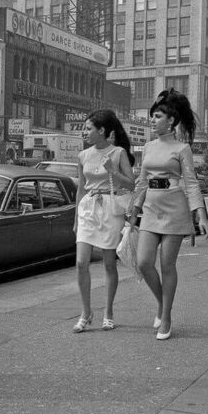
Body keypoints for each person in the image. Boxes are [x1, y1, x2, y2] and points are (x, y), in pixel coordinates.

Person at [129, 88, 208, 341]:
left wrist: (202, 215)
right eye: (152, 116)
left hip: (175, 209)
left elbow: (191, 183)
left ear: (171, 121)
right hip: (151, 209)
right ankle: (162, 304)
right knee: (143, 262)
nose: (152, 120)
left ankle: (166, 317)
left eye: (157, 116)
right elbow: (142, 182)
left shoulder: (182, 148)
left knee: (167, 265)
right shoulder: (148, 146)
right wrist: (133, 209)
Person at [73, 109, 135, 333]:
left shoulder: (118, 153)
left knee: (109, 263)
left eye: (89, 128)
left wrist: (113, 172)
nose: (85, 132)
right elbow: (81, 188)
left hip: (110, 209)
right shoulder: (83, 155)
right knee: (81, 262)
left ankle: (108, 312)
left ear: (102, 131)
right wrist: (75, 219)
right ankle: (86, 312)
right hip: (88, 209)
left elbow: (131, 184)